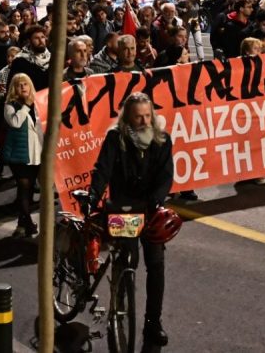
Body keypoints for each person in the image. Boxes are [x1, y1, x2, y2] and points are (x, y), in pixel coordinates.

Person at [86, 93, 174, 346]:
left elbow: (166, 176)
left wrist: (156, 200)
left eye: (147, 116)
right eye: (138, 117)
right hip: (123, 210)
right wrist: (93, 195)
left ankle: (153, 323)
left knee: (156, 264)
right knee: (127, 260)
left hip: (150, 210)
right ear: (127, 118)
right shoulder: (116, 138)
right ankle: (119, 310)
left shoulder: (162, 139)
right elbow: (103, 169)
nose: (144, 121)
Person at [2, 73, 42, 237]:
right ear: (14, 88)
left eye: (25, 84)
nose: (23, 87)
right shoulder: (10, 106)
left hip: (35, 153)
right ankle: (29, 223)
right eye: (19, 85)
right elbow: (15, 122)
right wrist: (25, 106)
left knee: (29, 189)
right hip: (18, 155)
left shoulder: (38, 103)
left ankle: (22, 223)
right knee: (24, 187)